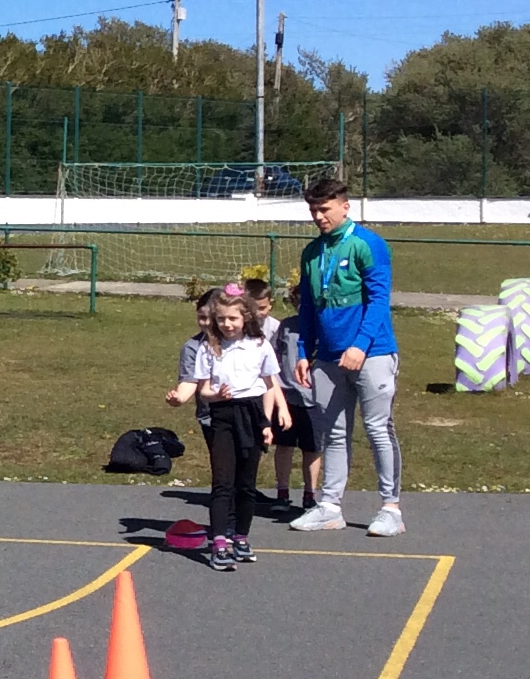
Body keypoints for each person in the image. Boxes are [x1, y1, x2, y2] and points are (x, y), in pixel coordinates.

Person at [290, 176, 402, 536]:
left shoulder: (368, 244)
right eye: (313, 210)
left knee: (378, 429)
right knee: (334, 433)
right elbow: (308, 307)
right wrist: (304, 351)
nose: (318, 217)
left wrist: (360, 345)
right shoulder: (311, 252)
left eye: (324, 209)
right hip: (327, 356)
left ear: (345, 206)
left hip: (372, 353)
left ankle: (391, 508)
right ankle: (330, 506)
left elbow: (379, 301)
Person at [169, 284, 288, 570]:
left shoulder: (259, 346)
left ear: (245, 317)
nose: (227, 324)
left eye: (233, 318)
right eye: (221, 319)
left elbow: (269, 385)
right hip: (222, 416)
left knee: (246, 485)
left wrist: (269, 421)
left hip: (252, 414)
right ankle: (220, 543)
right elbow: (203, 390)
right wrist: (215, 396)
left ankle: (241, 538)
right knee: (223, 482)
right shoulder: (208, 348)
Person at [270, 288, 320, 512]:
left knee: (313, 447)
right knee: (284, 444)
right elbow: (274, 355)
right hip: (287, 395)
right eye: (299, 304)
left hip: (315, 398)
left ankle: (310, 494)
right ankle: (282, 493)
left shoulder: (323, 327)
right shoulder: (287, 326)